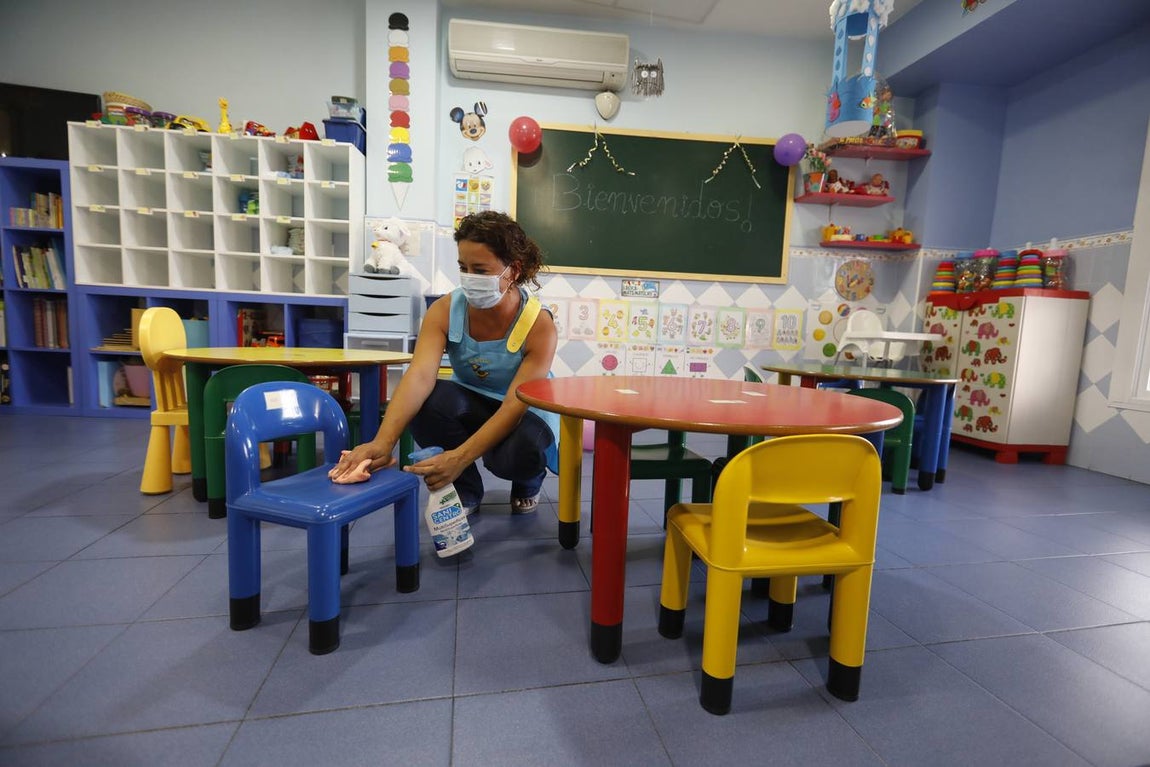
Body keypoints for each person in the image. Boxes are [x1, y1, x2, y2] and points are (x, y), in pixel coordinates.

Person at [328, 211, 559, 514]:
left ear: (512, 271)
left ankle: (528, 481)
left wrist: (459, 456)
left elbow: (513, 408)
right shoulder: (445, 310)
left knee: (517, 455)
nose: (469, 277)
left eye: (480, 269)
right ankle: (466, 490)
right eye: (463, 267)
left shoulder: (538, 325)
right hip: (473, 400)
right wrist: (382, 442)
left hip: (523, 412)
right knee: (427, 403)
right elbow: (419, 376)